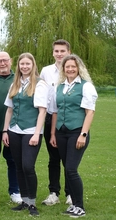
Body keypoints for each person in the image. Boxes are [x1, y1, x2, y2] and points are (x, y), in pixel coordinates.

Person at [49, 54, 97, 218]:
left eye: (73, 67)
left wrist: (83, 134)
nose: (70, 69)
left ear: (79, 68)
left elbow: (90, 112)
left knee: (71, 169)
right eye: (67, 67)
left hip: (77, 131)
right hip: (61, 132)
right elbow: (55, 112)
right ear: (63, 69)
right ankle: (74, 205)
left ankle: (80, 207)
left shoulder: (86, 86)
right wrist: (53, 133)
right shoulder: (60, 86)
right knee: (67, 169)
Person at [2, 53, 48, 216]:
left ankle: (33, 204)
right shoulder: (15, 84)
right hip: (14, 130)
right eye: (22, 64)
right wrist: (5, 131)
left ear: (33, 65)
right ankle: (24, 200)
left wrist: (37, 133)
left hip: (30, 131)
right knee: (19, 167)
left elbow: (42, 111)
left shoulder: (40, 84)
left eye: (28, 63)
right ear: (18, 66)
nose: (25, 66)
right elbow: (9, 109)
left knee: (28, 166)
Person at [0, 52, 22, 204]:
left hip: (13, 127)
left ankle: (15, 191)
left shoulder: (18, 78)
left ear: (11, 61)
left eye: (5, 60)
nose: (2, 64)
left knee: (13, 160)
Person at [40, 39, 72, 206]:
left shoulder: (74, 69)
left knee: (69, 159)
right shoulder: (46, 71)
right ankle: (54, 192)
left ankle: (70, 193)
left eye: (62, 51)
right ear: (53, 52)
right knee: (54, 158)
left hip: (68, 120)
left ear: (68, 52)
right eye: (57, 51)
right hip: (49, 118)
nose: (59, 54)